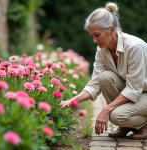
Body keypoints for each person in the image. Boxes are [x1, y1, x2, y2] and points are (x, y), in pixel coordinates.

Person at [60, 2, 147, 139]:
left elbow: (134, 88)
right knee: (105, 77)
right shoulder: (102, 49)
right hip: (135, 92)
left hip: (143, 92)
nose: (94, 40)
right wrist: (71, 101)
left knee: (115, 115)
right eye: (91, 36)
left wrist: (106, 110)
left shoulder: (135, 47)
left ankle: (144, 125)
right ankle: (125, 125)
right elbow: (95, 84)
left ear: (111, 30)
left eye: (97, 35)